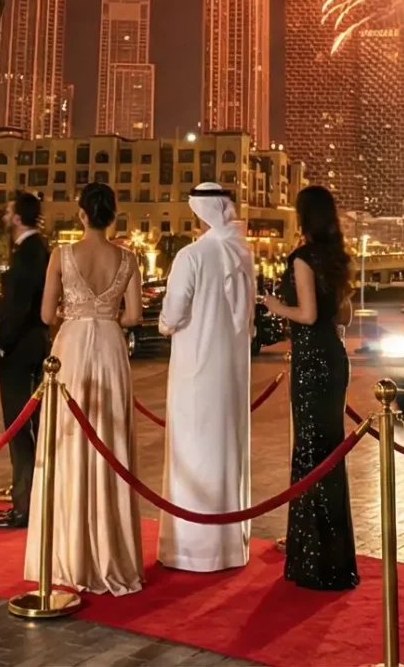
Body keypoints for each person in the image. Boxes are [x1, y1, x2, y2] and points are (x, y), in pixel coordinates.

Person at [26, 181, 144, 596]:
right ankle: (111, 551)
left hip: (71, 347)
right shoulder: (128, 258)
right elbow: (133, 318)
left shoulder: (61, 255)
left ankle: (70, 550)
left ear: (81, 215)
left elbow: (45, 313)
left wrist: (74, 312)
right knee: (108, 441)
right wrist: (102, 312)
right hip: (110, 346)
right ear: (113, 215)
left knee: (69, 440)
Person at [260, 184, 359, 591]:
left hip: (312, 361)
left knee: (310, 453)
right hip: (334, 358)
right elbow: (345, 317)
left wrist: (273, 305)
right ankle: (333, 554)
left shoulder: (302, 257)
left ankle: (312, 558)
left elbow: (307, 313)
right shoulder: (335, 259)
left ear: (304, 217)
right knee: (329, 454)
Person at [159, 181, 256, 571]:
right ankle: (228, 546)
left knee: (194, 450)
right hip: (231, 371)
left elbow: (171, 315)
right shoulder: (242, 253)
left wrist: (167, 325)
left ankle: (193, 551)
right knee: (223, 447)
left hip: (195, 370)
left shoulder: (191, 255)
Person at [0, 192, 52, 530]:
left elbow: (20, 305)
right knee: (30, 427)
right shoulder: (36, 249)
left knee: (18, 427)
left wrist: (2, 343)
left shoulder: (29, 252)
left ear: (17, 218)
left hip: (20, 349)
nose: (4, 215)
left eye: (8, 210)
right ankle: (28, 500)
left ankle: (25, 505)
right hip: (34, 346)